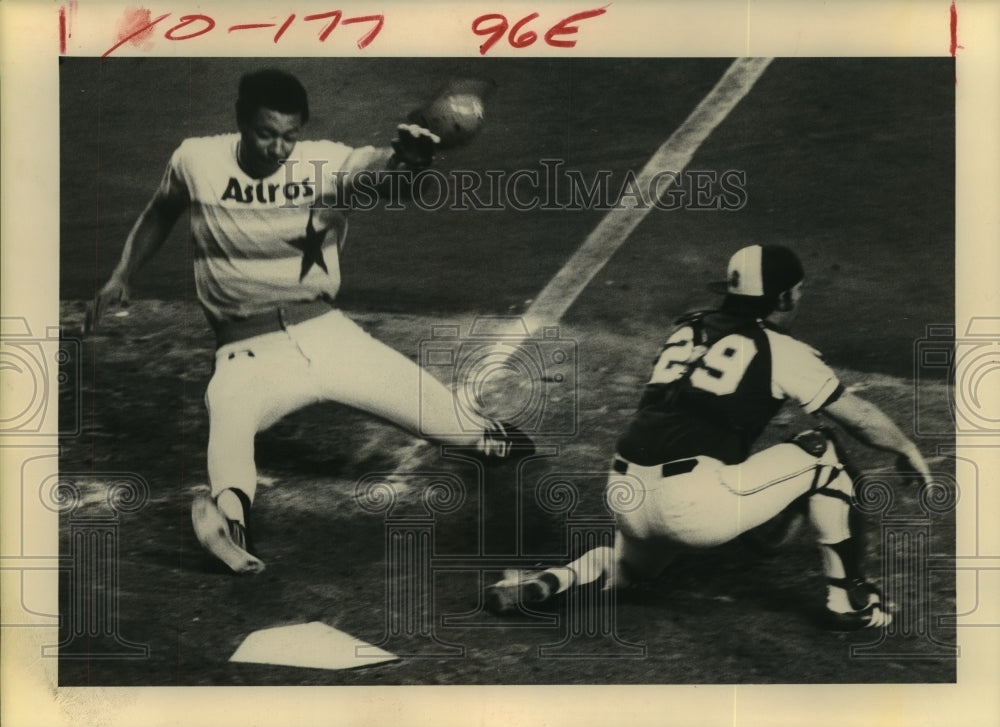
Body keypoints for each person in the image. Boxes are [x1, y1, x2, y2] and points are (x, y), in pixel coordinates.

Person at [86, 69, 531, 574]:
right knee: (227, 412)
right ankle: (230, 522)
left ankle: (484, 436)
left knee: (461, 431)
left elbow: (383, 179)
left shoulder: (323, 163)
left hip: (330, 336)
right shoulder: (195, 160)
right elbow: (161, 209)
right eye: (266, 133)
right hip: (247, 351)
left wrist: (411, 163)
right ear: (240, 121)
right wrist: (123, 273)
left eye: (289, 135)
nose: (278, 147)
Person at [486, 244, 933, 630]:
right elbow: (859, 417)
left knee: (630, 568)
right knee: (824, 453)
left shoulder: (689, 328)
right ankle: (849, 603)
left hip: (624, 492)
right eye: (797, 291)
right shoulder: (781, 350)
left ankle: (554, 581)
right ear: (782, 298)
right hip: (693, 506)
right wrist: (906, 447)